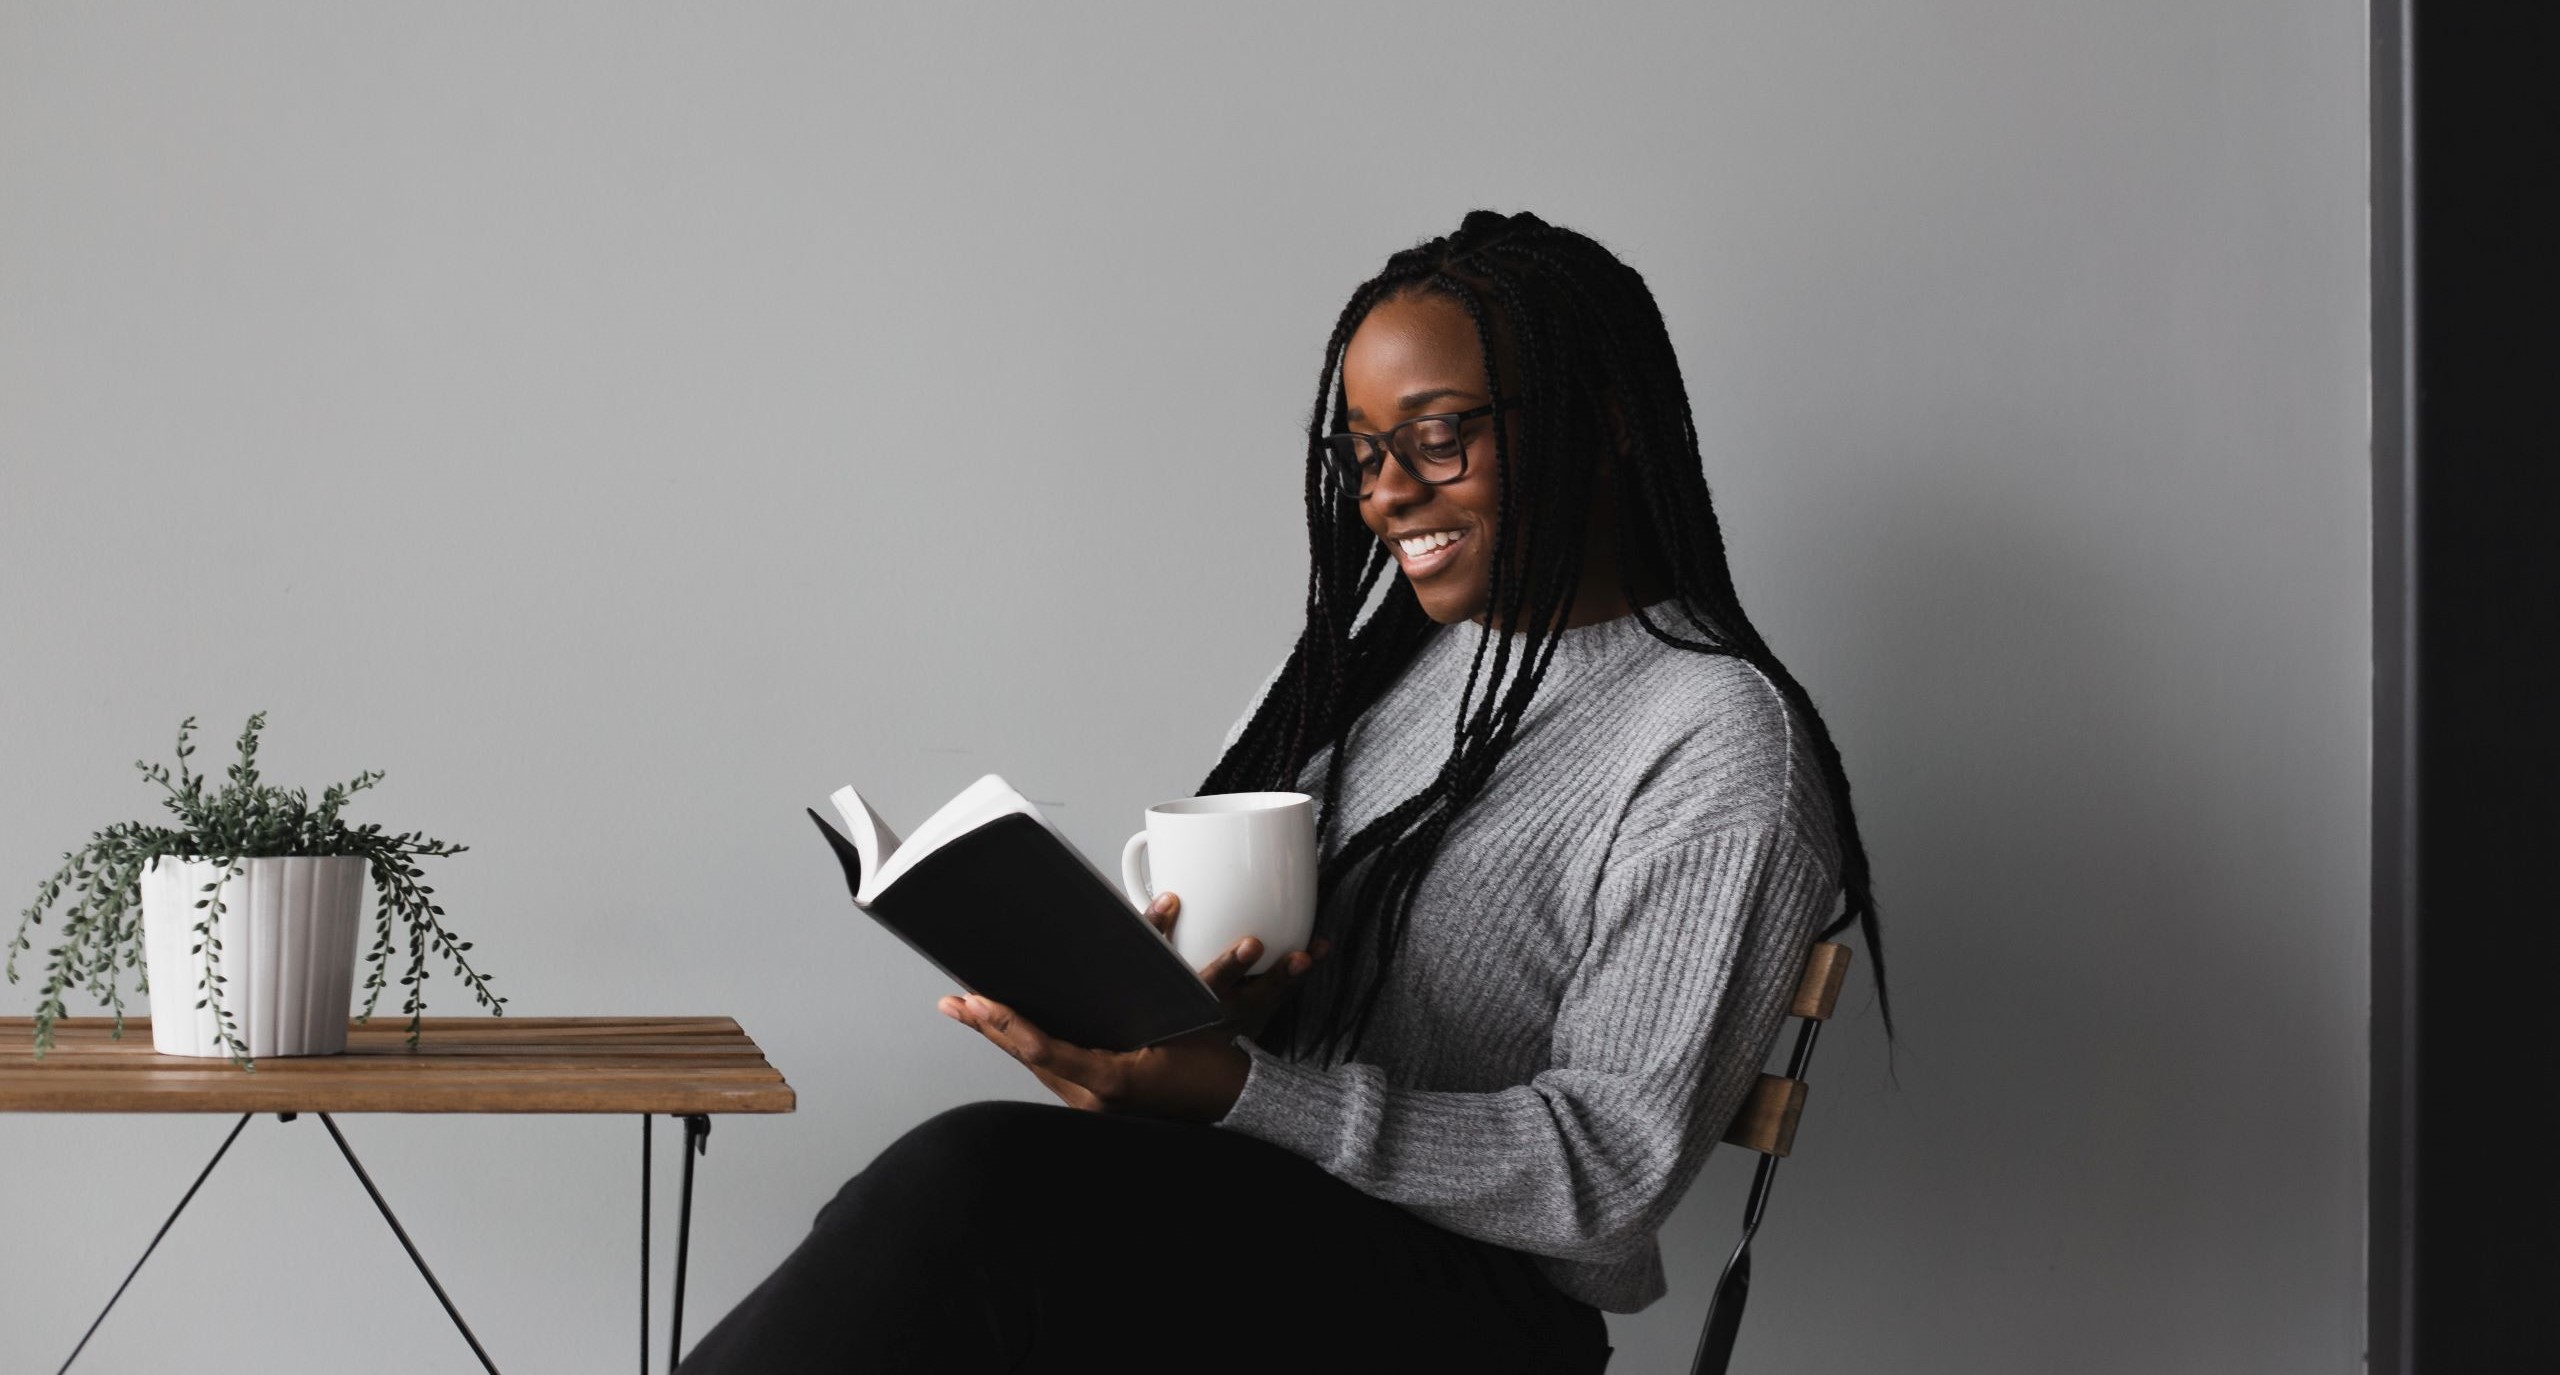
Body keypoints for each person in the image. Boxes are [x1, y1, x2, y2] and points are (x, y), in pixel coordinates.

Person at [677, 209, 1890, 1373]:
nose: (1383, 493)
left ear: (1607, 418)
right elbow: (1292, 1030)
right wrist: (1186, 1033)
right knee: (926, 1233)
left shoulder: (1716, 740)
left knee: (971, 1193)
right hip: (1274, 1235)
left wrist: (1249, 1091)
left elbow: (1609, 1173)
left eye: (1436, 434)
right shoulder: (1370, 673)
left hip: (1475, 1318)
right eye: (1360, 452)